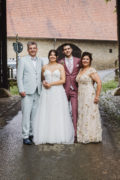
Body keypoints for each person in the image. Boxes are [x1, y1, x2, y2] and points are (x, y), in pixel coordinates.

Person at [33, 50, 74, 145]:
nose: (52, 56)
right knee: (47, 112)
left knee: (57, 112)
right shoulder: (44, 67)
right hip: (46, 93)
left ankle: (59, 135)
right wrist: (44, 83)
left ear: (57, 57)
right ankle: (46, 135)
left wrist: (50, 84)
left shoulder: (60, 66)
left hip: (58, 92)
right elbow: (42, 79)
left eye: (54, 55)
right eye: (50, 55)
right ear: (48, 56)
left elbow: (63, 80)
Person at [17, 42, 42, 145]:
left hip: (37, 91)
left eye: (34, 48)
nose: (32, 50)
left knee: (34, 115)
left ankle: (32, 134)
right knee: (26, 115)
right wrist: (21, 89)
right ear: (28, 50)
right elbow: (19, 77)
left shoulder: (40, 60)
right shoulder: (23, 60)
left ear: (37, 49)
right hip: (26, 92)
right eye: (30, 48)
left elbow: (40, 75)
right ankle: (25, 136)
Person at [76, 52, 102, 144]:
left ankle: (91, 136)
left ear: (90, 60)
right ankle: (83, 135)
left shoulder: (91, 70)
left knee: (90, 113)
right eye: (83, 59)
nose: (85, 60)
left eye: (87, 59)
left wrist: (97, 96)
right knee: (83, 114)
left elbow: (99, 82)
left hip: (89, 94)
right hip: (81, 95)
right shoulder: (81, 70)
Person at [59, 44, 81, 143]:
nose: (67, 50)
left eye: (68, 49)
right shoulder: (60, 62)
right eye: (65, 49)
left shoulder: (78, 61)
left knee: (74, 111)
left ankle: (75, 132)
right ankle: (64, 131)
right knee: (64, 111)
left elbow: (84, 71)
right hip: (64, 89)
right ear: (63, 52)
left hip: (75, 89)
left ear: (71, 50)